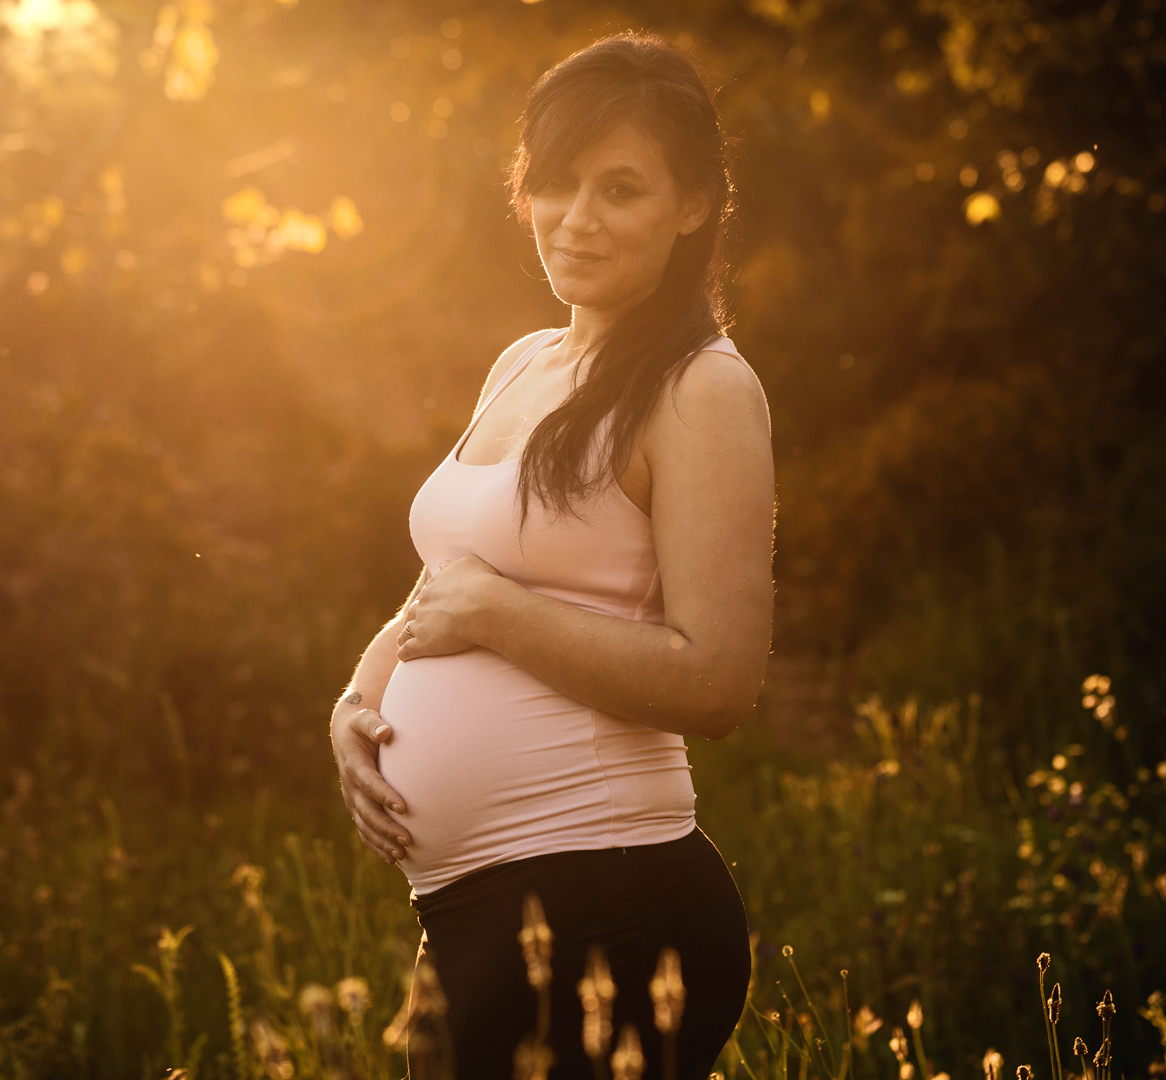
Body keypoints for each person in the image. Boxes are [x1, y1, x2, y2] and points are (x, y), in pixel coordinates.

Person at [328, 31, 774, 1080]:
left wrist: (498, 618)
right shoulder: (527, 361)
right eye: (557, 182)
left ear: (697, 203)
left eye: (621, 189)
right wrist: (355, 706)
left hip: (606, 902)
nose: (577, 218)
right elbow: (451, 581)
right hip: (485, 911)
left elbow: (717, 682)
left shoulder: (700, 389)